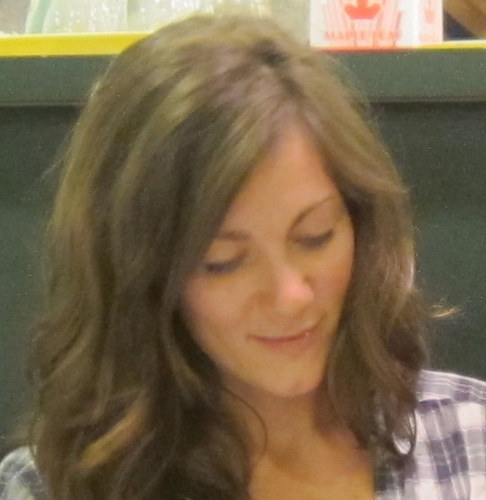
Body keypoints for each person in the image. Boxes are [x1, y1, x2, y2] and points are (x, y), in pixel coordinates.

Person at [1, 13, 486, 500]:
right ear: (141, 277)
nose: (290, 296)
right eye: (223, 262)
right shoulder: (55, 485)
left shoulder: (467, 438)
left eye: (315, 237)